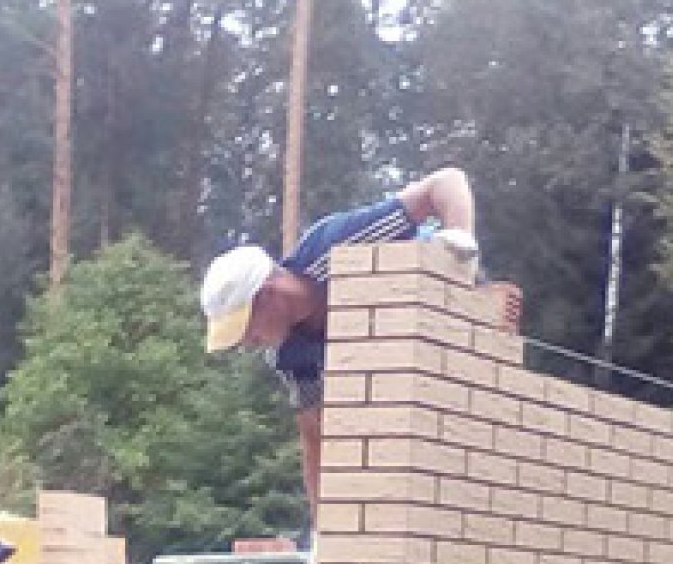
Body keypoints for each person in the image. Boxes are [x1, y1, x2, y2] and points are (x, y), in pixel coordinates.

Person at [199, 168, 479, 524]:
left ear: (268, 295)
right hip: (411, 381)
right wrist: (324, 529)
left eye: (247, 331)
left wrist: (460, 263)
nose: (248, 344)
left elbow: (447, 182)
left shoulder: (336, 247)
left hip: (449, 311)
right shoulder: (290, 355)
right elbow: (314, 438)